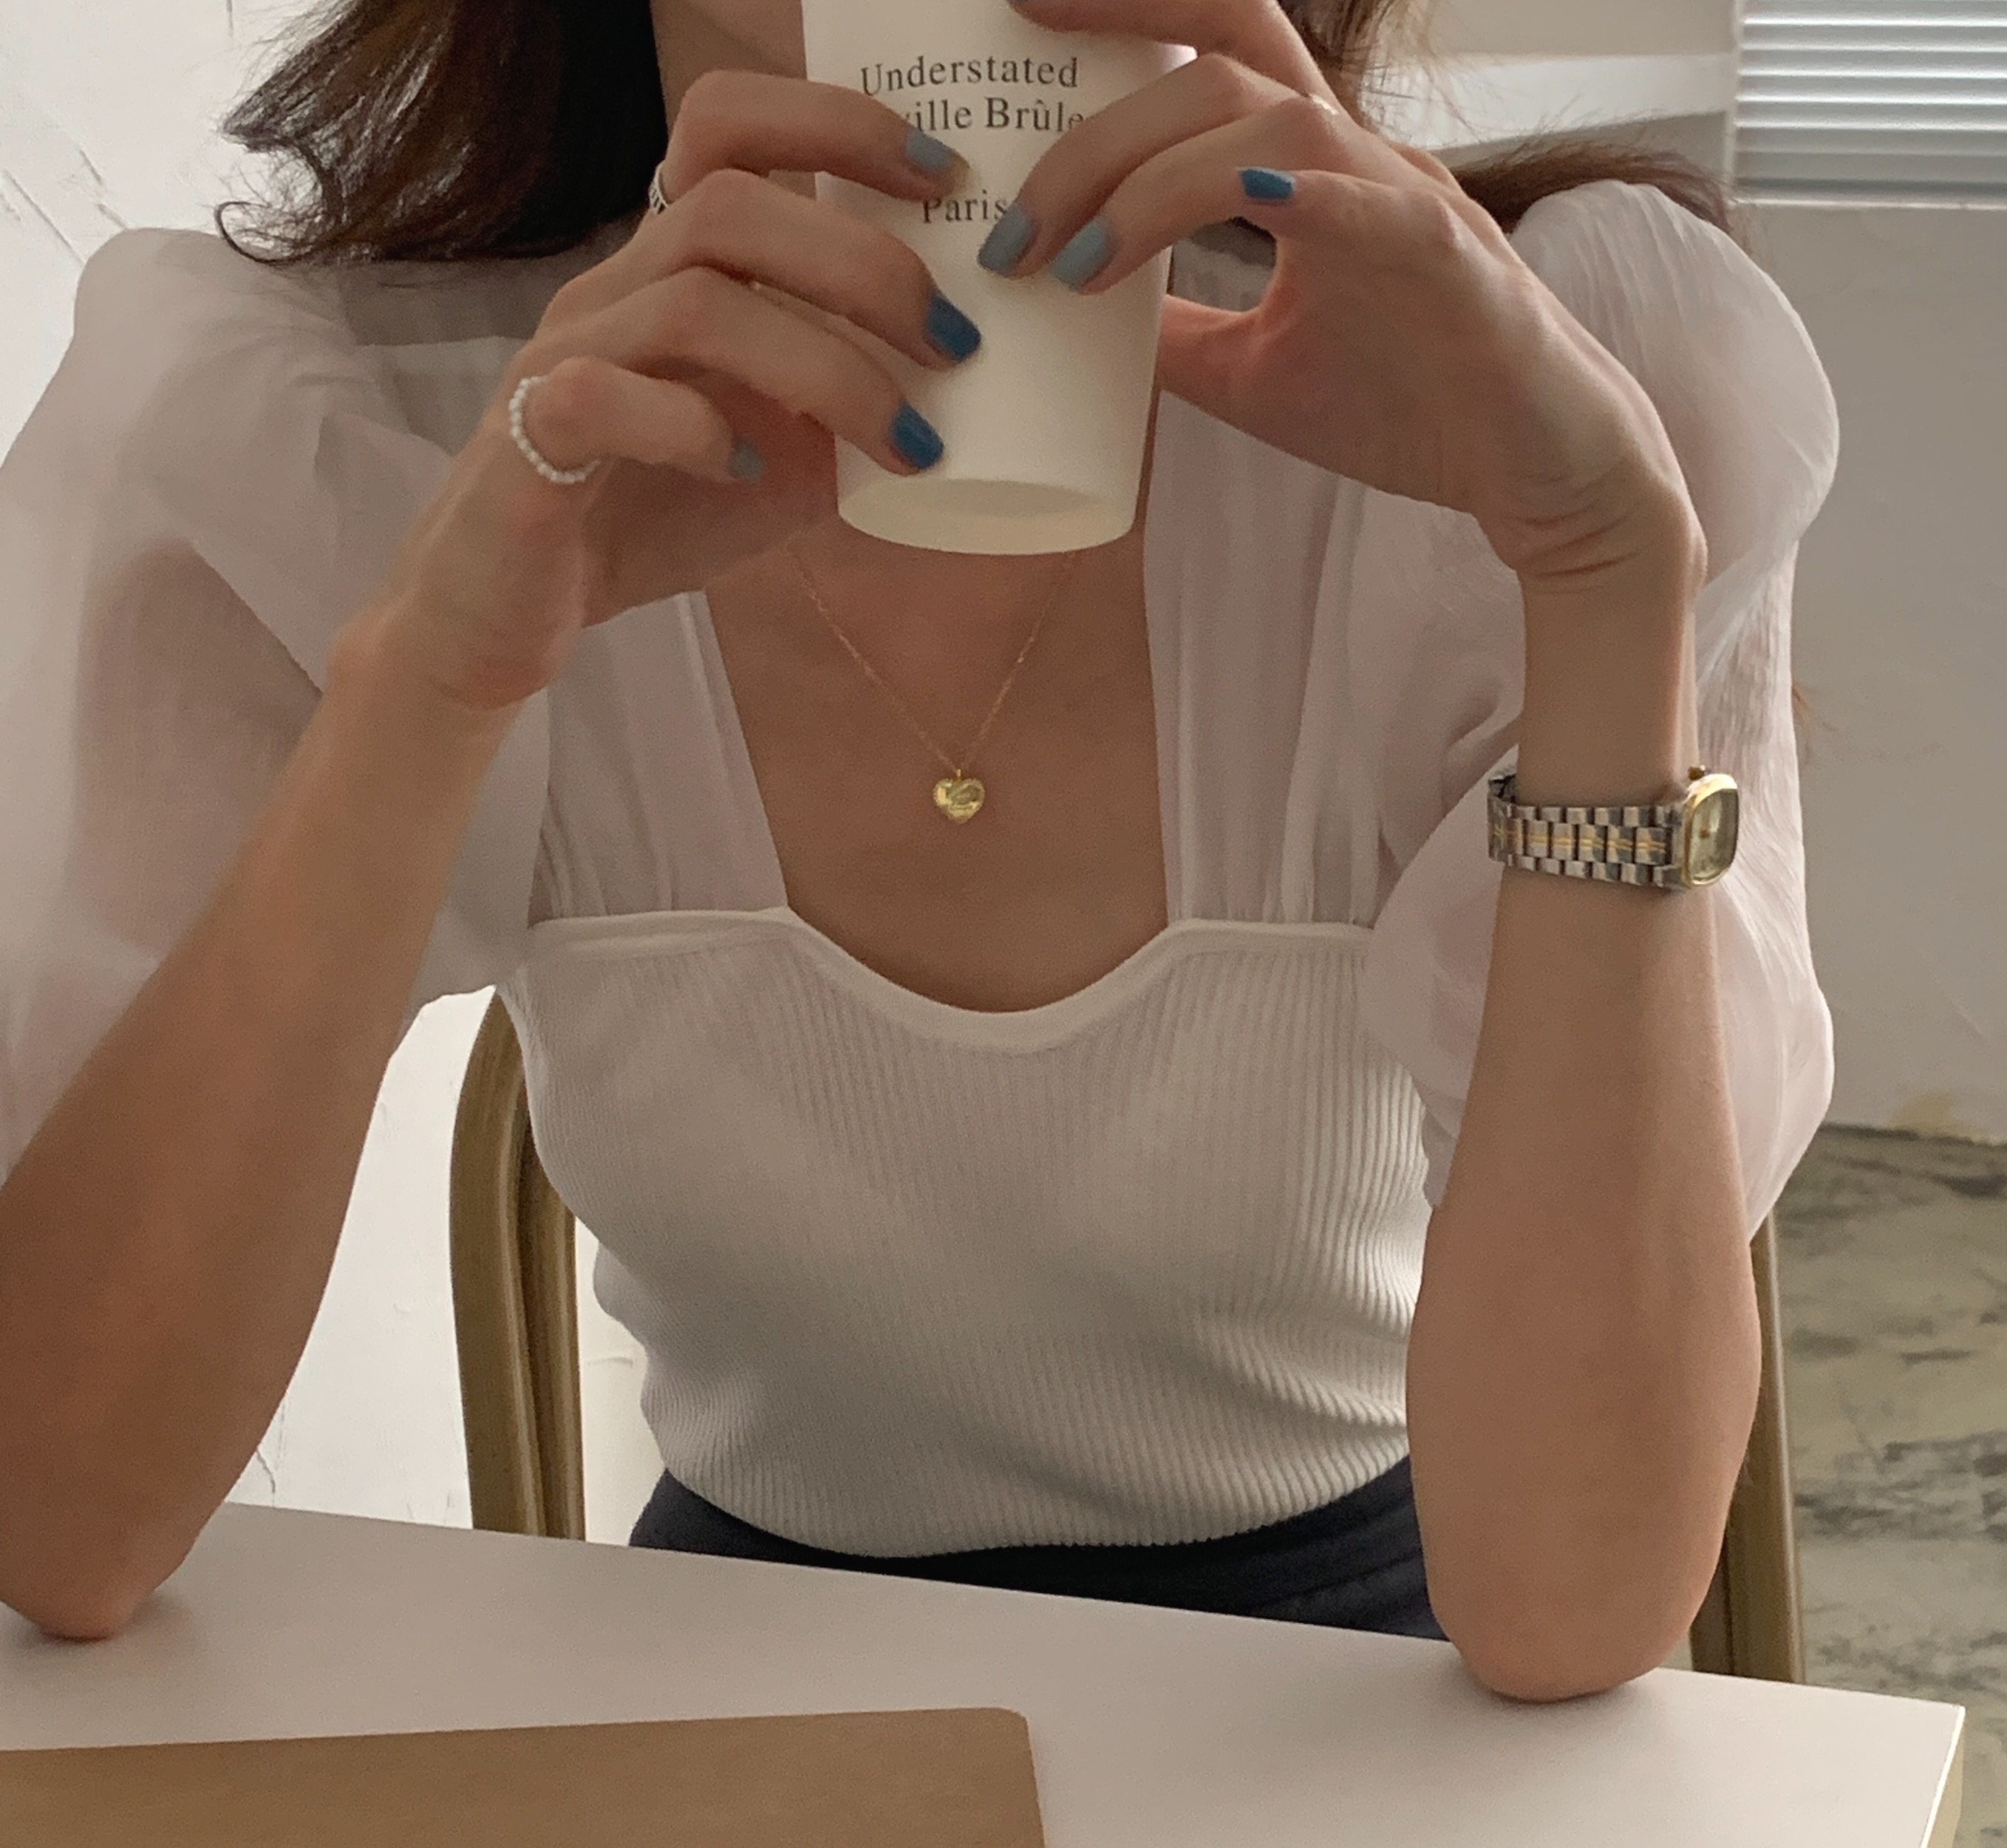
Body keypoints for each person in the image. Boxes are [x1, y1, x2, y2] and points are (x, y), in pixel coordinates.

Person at [0, 0, 1839, 1695]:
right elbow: (62, 1525)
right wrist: (431, 679)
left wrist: (1602, 577)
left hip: (1385, 1700)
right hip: (731, 1706)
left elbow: (1573, 1609)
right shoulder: (345, 430)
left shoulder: (1498, 405)